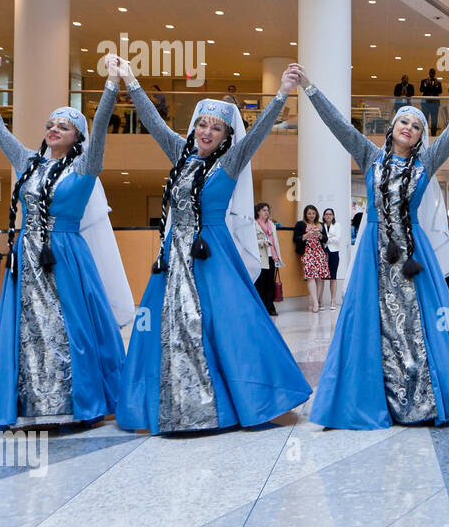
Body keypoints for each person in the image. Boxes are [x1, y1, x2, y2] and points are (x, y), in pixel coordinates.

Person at [117, 65, 310, 434]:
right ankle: (173, 402)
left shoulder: (231, 161)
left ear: (225, 135)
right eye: (202, 124)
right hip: (175, 256)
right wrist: (132, 82)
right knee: (169, 326)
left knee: (228, 326)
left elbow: (258, 134)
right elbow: (152, 120)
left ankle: (236, 400)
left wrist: (284, 92)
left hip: (213, 252)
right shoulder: (179, 151)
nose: (207, 132)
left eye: (216, 127)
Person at [298, 65, 449, 429]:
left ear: (421, 136)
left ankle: (425, 399)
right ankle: (372, 400)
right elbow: (340, 125)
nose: (409, 128)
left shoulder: (426, 163)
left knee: (422, 323)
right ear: (392, 127)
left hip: (413, 253)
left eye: (417, 125)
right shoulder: (370, 157)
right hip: (375, 252)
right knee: (370, 323)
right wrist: (309, 87)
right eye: (404, 121)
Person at [0, 55, 133, 430]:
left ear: (76, 136)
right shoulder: (28, 162)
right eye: (51, 124)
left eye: (64, 126)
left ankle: (77, 402)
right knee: (29, 331)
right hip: (27, 256)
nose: (54, 129)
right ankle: (30, 404)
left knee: (71, 328)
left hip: (64, 254)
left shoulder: (85, 166)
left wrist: (112, 85)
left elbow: (99, 131)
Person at [293, 204, 328, 313]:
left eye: (313, 213)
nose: (311, 215)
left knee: (320, 278)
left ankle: (316, 301)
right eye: (309, 213)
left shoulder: (320, 224)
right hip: (307, 252)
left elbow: (325, 239)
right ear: (305, 214)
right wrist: (306, 235)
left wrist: (320, 236)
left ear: (316, 214)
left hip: (319, 253)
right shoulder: (300, 224)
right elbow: (295, 239)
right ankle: (316, 304)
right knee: (310, 276)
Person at [254, 201, 283, 316]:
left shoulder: (272, 224)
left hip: (272, 256)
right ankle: (262, 307)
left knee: (270, 283)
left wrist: (277, 257)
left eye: (267, 210)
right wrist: (262, 242)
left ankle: (270, 306)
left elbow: (275, 241)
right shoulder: (254, 224)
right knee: (261, 283)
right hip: (261, 256)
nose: (266, 212)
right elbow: (251, 241)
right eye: (264, 210)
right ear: (258, 212)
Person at [322, 207, 342, 309]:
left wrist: (326, 238)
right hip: (324, 252)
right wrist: (330, 237)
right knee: (321, 277)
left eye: (330, 214)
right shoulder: (321, 226)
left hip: (334, 252)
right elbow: (321, 239)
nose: (328, 216)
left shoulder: (337, 225)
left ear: (333, 216)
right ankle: (320, 301)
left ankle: (333, 301)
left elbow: (337, 239)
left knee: (333, 277)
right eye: (326, 214)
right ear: (324, 216)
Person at [419, 67, 442, 135]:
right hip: (425, 104)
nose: (432, 74)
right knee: (425, 119)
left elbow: (440, 91)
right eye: (431, 72)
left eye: (433, 73)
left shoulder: (438, 82)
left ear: (435, 74)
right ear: (429, 73)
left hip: (435, 104)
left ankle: (433, 135)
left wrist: (437, 85)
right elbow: (421, 90)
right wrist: (426, 84)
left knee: (434, 120)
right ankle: (424, 134)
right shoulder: (424, 81)